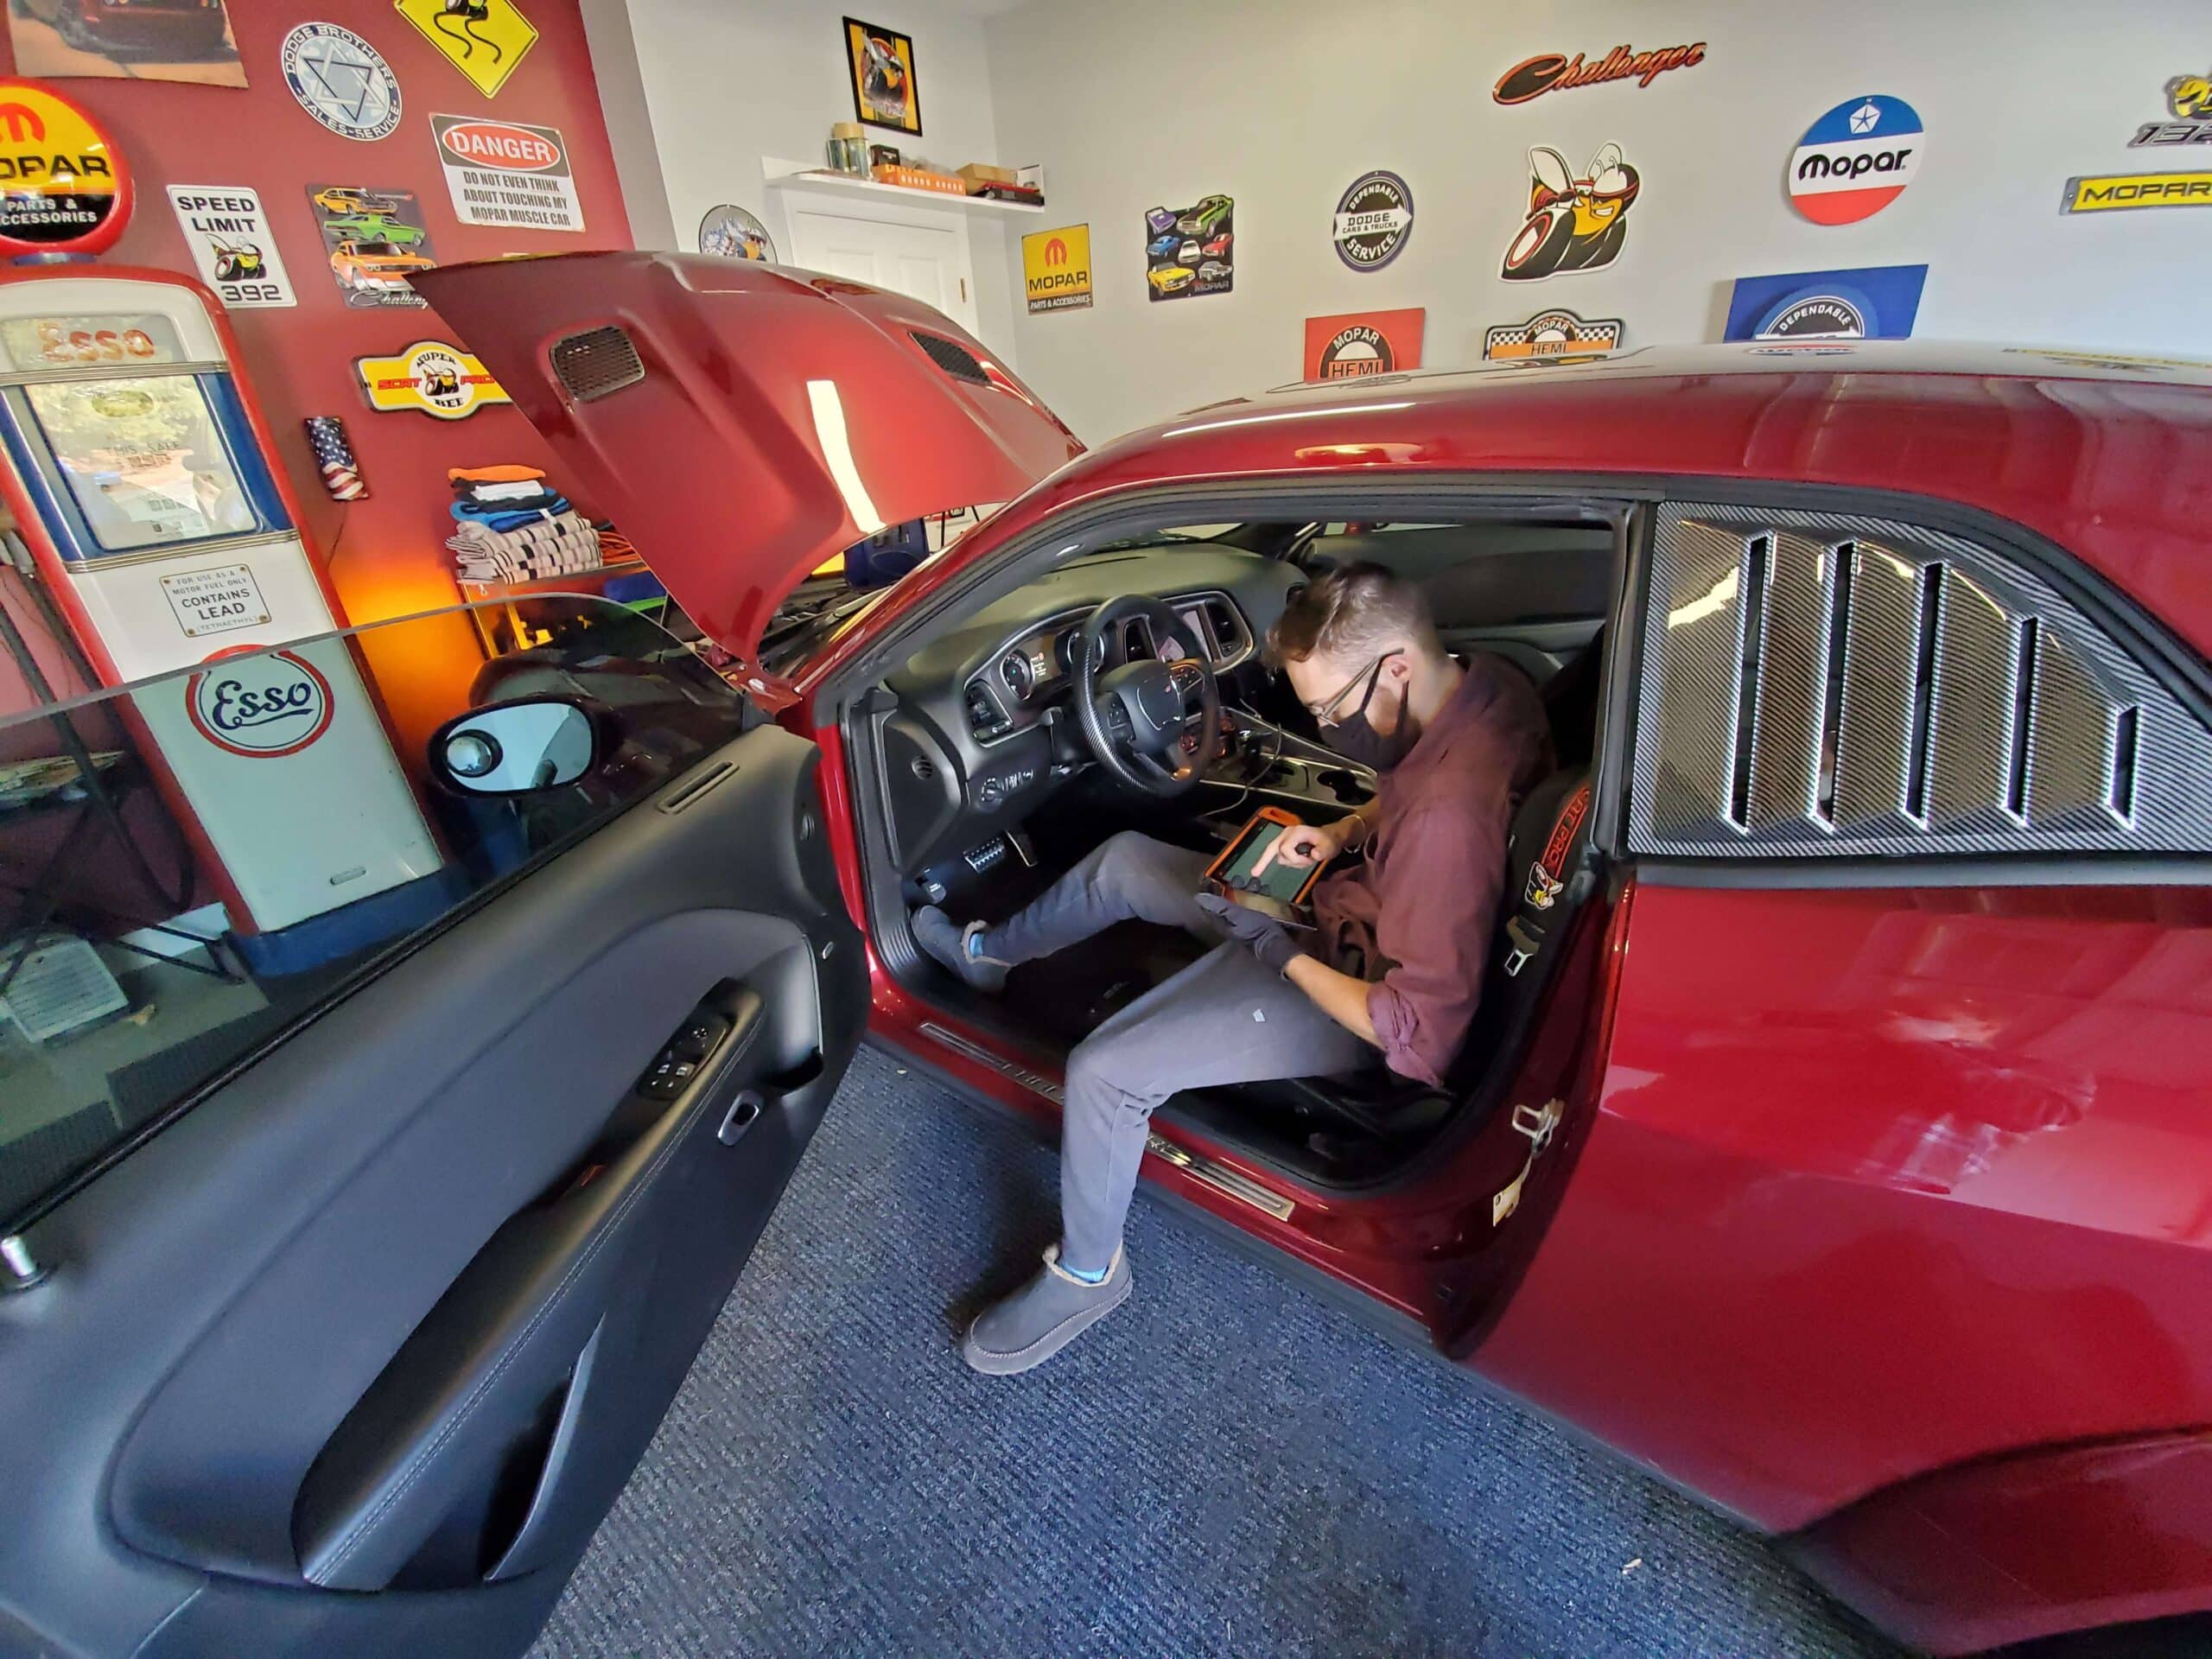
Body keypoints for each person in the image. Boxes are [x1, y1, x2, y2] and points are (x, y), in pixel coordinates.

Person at [912, 562, 1554, 1374]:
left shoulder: (1446, 825)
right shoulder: (1487, 688)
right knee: (1127, 862)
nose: (1327, 730)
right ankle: (988, 956)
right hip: (1355, 906)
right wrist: (1344, 832)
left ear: (1395, 666)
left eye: (1332, 711)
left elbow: (1415, 1032)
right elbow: (1407, 789)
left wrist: (1274, 947)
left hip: (1358, 995)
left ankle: (1088, 1273)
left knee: (1106, 1073)